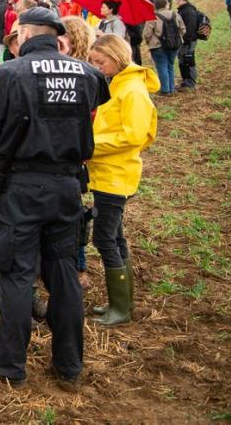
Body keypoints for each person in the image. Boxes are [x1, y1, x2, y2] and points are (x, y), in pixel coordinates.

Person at [0, 8, 108, 388]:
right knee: (63, 271)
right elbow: (94, 106)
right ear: (57, 36)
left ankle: (10, 365)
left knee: (16, 274)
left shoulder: (6, 74)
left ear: (26, 34)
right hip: (68, 185)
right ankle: (70, 366)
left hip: (21, 186)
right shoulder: (89, 74)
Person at [86, 34, 158, 326]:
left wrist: (89, 145)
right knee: (115, 236)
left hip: (116, 175)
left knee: (103, 237)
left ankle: (121, 308)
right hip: (107, 171)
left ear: (117, 58)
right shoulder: (118, 84)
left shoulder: (132, 91)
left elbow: (133, 135)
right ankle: (122, 302)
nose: (96, 67)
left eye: (100, 62)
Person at [141, 0, 185, 96]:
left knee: (162, 67)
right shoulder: (176, 15)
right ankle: (171, 87)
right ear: (167, 5)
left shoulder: (152, 16)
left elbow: (147, 34)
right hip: (175, 45)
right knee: (170, 65)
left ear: (155, 6)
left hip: (158, 46)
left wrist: (150, 42)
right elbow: (183, 29)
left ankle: (165, 90)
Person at [174, 0, 201, 91]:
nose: (176, 1)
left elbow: (189, 28)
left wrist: (185, 41)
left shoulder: (188, 11)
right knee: (183, 61)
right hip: (185, 40)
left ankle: (190, 83)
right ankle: (186, 81)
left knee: (188, 61)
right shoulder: (184, 10)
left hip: (188, 41)